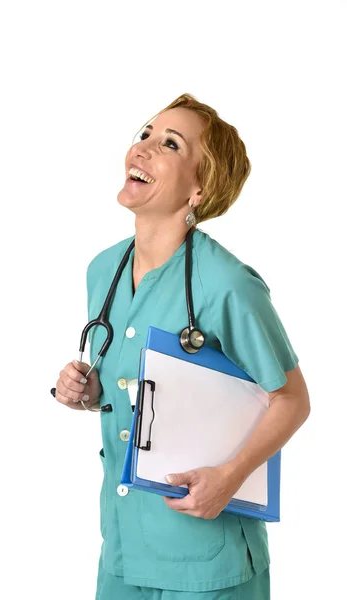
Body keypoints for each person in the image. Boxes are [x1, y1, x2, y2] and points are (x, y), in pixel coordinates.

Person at [54, 93, 310, 599]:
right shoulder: (103, 270)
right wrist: (86, 390)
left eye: (169, 143)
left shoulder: (227, 284)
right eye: (144, 134)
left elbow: (293, 399)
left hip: (206, 560)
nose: (143, 148)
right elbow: (135, 388)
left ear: (199, 187)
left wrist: (230, 478)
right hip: (124, 550)